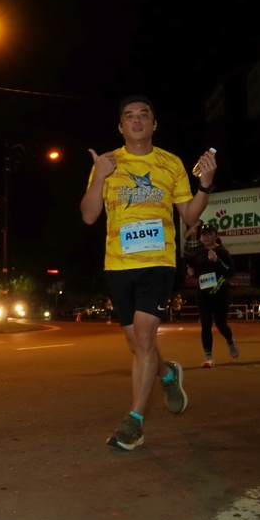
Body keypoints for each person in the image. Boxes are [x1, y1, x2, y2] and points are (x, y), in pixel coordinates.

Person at [80, 95, 215, 451]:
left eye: (144, 115)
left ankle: (135, 422)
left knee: (143, 338)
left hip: (158, 263)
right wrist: (99, 177)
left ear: (154, 124)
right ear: (120, 126)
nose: (137, 120)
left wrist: (205, 184)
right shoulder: (107, 163)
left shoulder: (171, 163)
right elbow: (89, 216)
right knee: (137, 343)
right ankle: (167, 375)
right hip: (118, 265)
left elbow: (189, 216)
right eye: (129, 115)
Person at [186, 224, 239, 368]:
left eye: (209, 234)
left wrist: (217, 260)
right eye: (204, 235)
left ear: (216, 235)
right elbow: (198, 272)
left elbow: (230, 272)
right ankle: (208, 356)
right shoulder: (199, 253)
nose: (206, 237)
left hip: (220, 294)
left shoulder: (222, 251)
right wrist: (192, 271)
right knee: (206, 325)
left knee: (221, 323)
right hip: (203, 294)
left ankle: (230, 341)